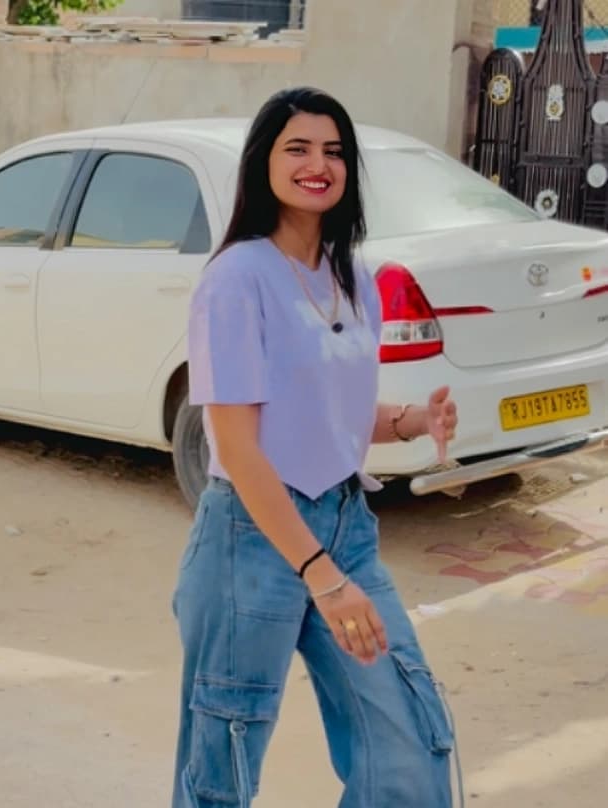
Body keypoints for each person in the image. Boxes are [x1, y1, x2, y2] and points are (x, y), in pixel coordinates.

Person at [172, 86, 460, 808]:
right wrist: (321, 577)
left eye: (333, 151)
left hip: (344, 526)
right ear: (262, 163)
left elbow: (332, 413)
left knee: (407, 737)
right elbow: (239, 447)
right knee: (223, 764)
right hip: (249, 541)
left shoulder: (352, 275)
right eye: (296, 148)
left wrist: (411, 421)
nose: (317, 164)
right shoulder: (236, 278)